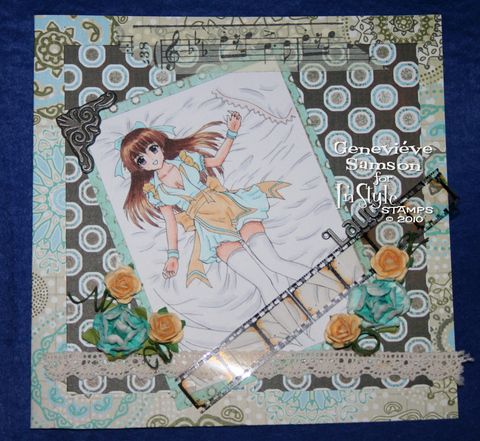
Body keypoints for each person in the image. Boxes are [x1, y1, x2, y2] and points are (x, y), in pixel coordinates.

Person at [119, 111, 311, 305]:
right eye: (141, 159)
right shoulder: (155, 190)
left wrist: (231, 133)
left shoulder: (186, 159)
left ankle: (326, 285)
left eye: (152, 149)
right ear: (139, 168)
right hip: (211, 230)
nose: (151, 158)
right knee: (262, 282)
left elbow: (217, 161)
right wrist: (173, 256)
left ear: (160, 146)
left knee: (274, 263)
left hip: (232, 208)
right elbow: (171, 223)